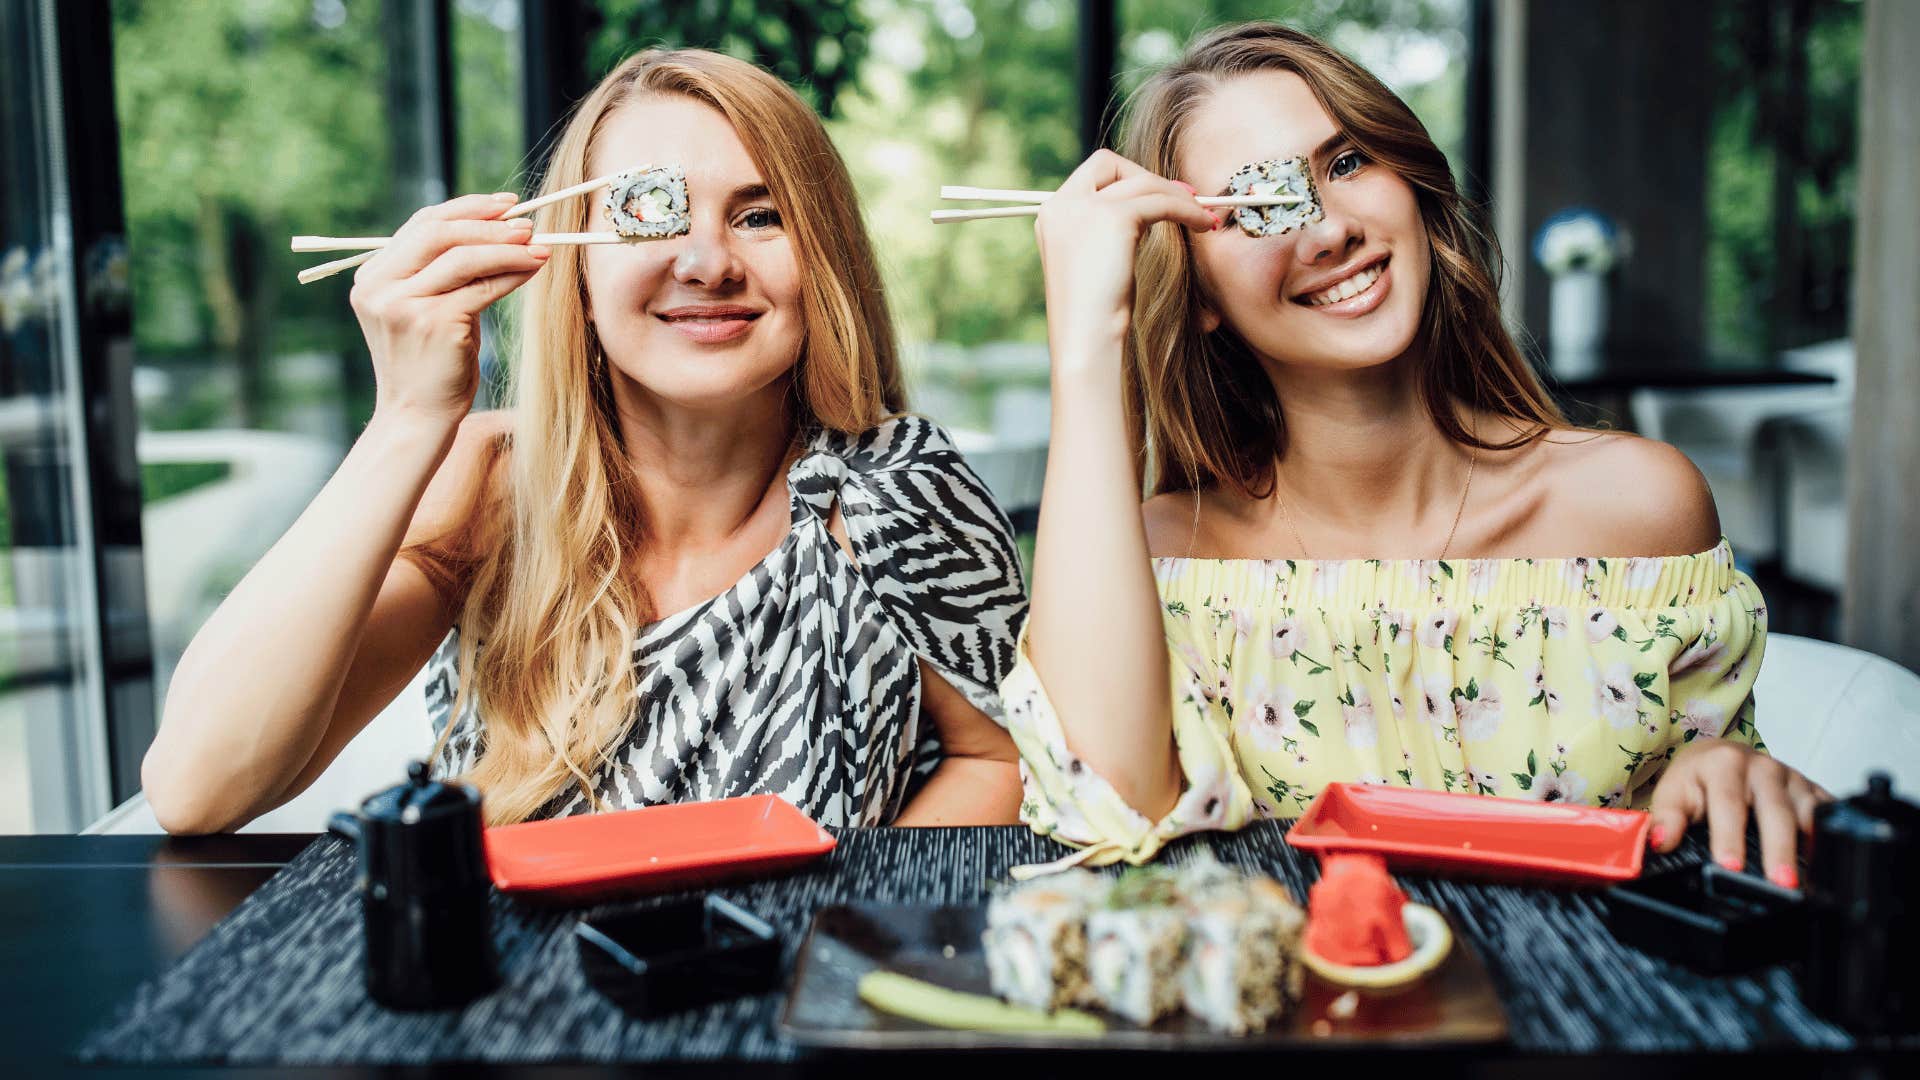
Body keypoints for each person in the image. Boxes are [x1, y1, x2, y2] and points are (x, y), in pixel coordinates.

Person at [1008, 22, 1826, 886]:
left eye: (1348, 162)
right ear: (1200, 292)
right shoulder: (1160, 561)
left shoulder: (1639, 506)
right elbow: (1105, 815)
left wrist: (1719, 777)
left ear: (1411, 183)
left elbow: (1713, 817)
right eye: (1255, 204)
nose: (1326, 231)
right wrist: (1089, 342)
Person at [143, 49, 1026, 832]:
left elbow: (1005, 761)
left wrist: (823, 928)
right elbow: (199, 791)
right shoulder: (490, 485)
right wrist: (407, 419)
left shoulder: (898, 489)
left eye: (760, 216)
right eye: (655, 211)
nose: (709, 263)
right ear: (575, 265)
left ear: (825, 256)